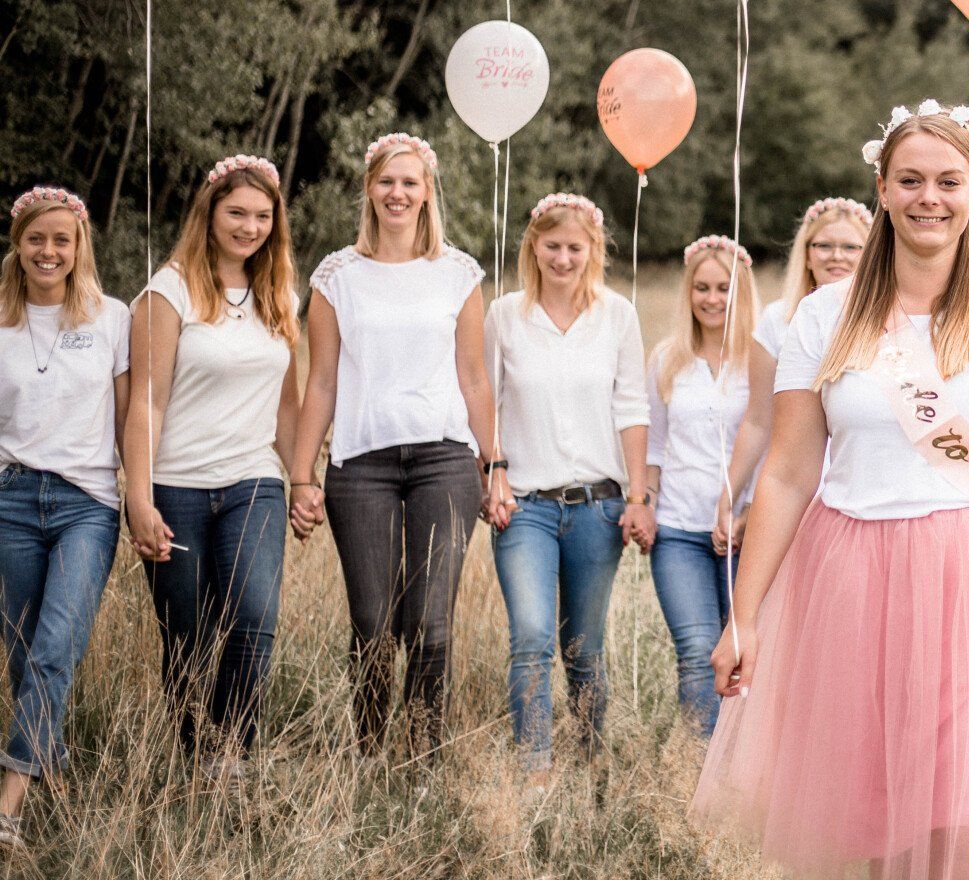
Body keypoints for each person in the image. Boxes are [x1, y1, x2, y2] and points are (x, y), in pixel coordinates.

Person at [693, 99, 969, 880]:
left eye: (948, 181)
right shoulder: (825, 316)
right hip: (852, 578)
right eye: (909, 180)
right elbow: (787, 473)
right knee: (870, 815)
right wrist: (743, 616)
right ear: (881, 189)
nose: (928, 198)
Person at [290, 132, 499, 758]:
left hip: (444, 460)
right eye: (386, 181)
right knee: (372, 622)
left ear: (428, 192)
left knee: (430, 622)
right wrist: (302, 475)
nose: (397, 193)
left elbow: (474, 377)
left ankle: (424, 754)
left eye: (409, 182)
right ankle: (372, 753)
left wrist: (495, 465)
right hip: (361, 466)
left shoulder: (458, 274)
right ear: (369, 189)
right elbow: (321, 382)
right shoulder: (337, 277)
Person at [122, 155, 302, 782]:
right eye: (237, 213)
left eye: (262, 216)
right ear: (209, 213)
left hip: (254, 481)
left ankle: (235, 754)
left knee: (254, 618)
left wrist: (303, 479)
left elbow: (286, 405)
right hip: (176, 485)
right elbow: (146, 402)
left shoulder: (280, 295)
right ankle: (198, 754)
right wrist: (139, 498)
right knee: (187, 633)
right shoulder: (168, 292)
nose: (250, 227)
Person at [484, 193, 652, 782]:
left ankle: (588, 758)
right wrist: (493, 472)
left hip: (597, 506)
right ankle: (534, 767)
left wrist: (637, 497)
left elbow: (632, 407)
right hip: (525, 506)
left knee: (584, 645)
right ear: (533, 246)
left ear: (593, 250)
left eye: (574, 248)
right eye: (552, 246)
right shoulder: (505, 315)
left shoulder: (617, 315)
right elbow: (484, 403)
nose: (562, 258)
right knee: (531, 636)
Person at [0, 187, 128, 847]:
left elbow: (133, 418)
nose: (48, 251)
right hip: (11, 500)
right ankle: (57, 780)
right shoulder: (0, 320)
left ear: (79, 247)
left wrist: (143, 498)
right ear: (18, 244)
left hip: (88, 504)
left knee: (55, 648)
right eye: (36, 238)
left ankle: (8, 805)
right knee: (25, 657)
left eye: (61, 240)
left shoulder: (112, 318)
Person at [713, 197, 872, 552]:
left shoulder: (889, 320)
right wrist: (730, 496)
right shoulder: (777, 319)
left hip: (858, 492)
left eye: (850, 247)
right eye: (824, 245)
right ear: (807, 254)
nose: (836, 256)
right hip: (792, 489)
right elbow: (757, 420)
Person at [647, 234, 758, 735]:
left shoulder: (759, 361)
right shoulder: (667, 360)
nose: (712, 299)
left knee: (741, 649)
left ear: (742, 293)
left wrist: (746, 515)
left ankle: (740, 758)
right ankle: (698, 760)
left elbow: (774, 447)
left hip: (747, 533)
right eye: (702, 288)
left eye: (723, 288)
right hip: (679, 530)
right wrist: (646, 503)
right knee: (695, 649)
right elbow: (654, 446)